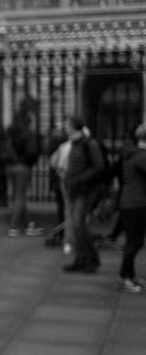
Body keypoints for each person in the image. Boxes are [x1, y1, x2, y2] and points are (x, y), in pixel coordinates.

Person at [62, 115, 106, 273]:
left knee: (79, 224)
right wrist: (68, 179)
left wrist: (79, 179)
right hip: (74, 188)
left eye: (67, 125)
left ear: (75, 127)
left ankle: (92, 258)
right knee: (75, 226)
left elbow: (99, 166)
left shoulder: (89, 144)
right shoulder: (75, 143)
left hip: (86, 190)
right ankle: (80, 259)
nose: (65, 127)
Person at [2, 112, 42, 237]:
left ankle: (26, 224)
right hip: (22, 166)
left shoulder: (9, 132)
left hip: (10, 166)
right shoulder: (28, 134)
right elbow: (32, 152)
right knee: (20, 196)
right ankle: (13, 226)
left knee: (18, 195)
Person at [116, 124, 146, 293]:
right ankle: (123, 278)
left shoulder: (133, 154)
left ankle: (131, 276)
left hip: (129, 203)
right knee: (135, 243)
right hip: (138, 204)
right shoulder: (141, 156)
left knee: (132, 242)